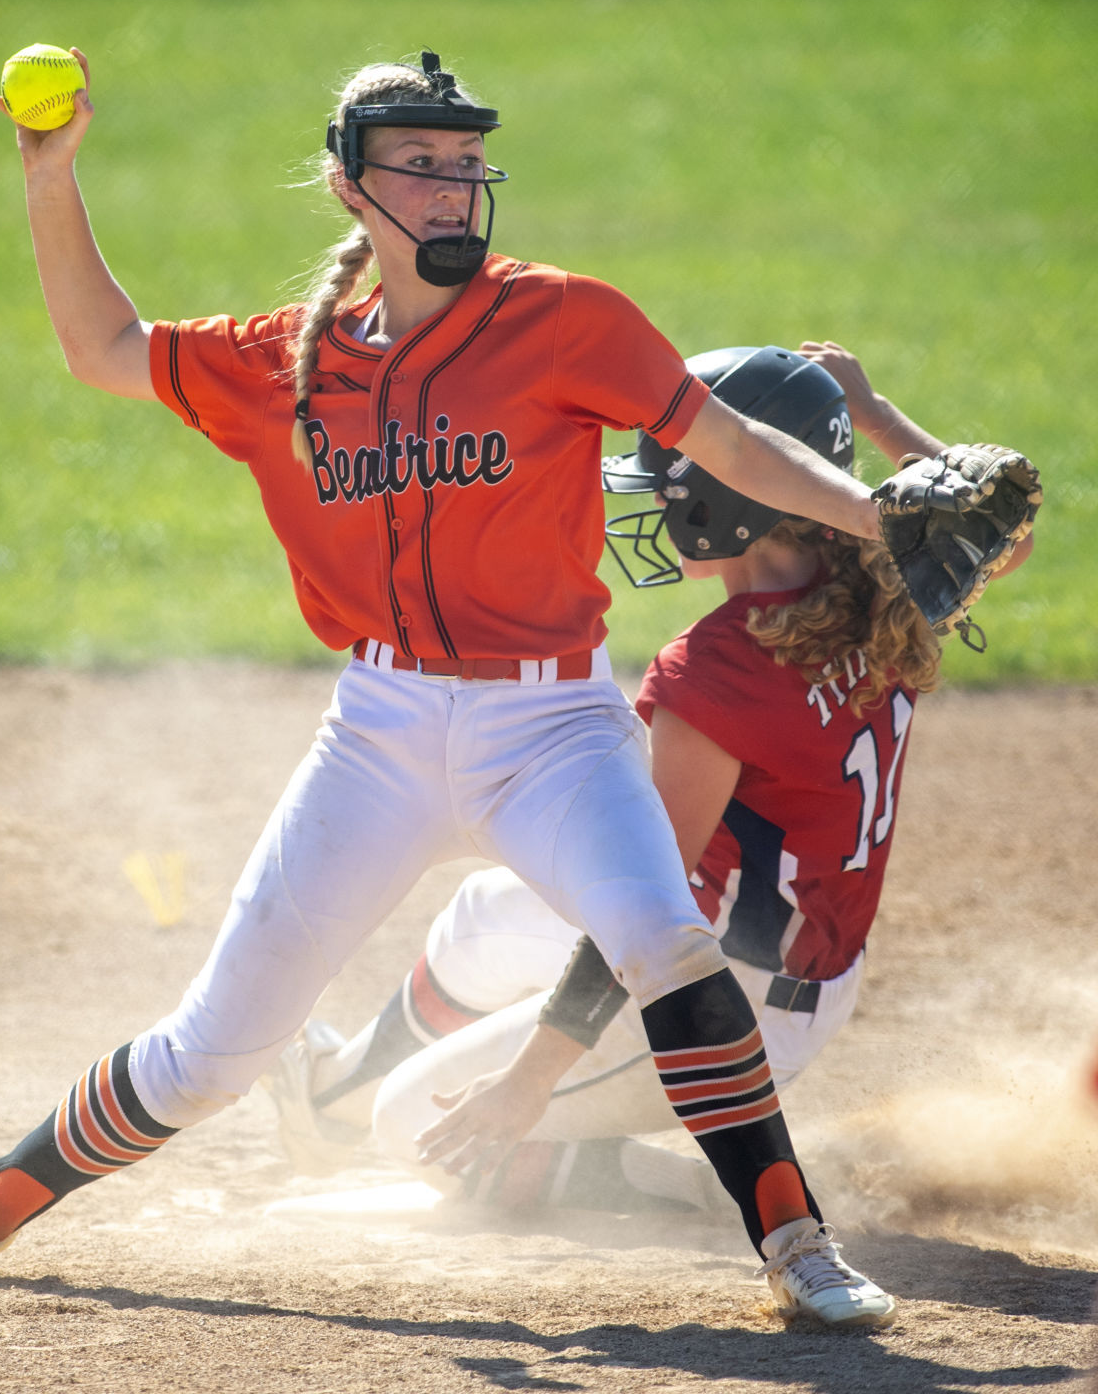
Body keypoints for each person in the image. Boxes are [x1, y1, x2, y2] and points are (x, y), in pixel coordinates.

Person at [0, 49, 907, 1327]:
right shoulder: (286, 362)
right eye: (421, 166)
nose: (453, 190)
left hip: (549, 723)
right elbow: (105, 349)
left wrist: (875, 515)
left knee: (664, 943)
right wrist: (49, 175)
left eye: (465, 167)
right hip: (379, 732)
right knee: (210, 1053)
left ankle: (797, 1249)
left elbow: (724, 440)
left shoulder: (565, 316)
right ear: (352, 185)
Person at [261, 341, 1035, 1243]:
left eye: (675, 475)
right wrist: (869, 412)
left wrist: (529, 1082)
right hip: (783, 945)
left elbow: (644, 914)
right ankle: (334, 1101)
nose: (657, 493)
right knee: (484, 915)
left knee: (419, 1128)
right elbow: (995, 529)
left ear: (738, 498)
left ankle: (704, 1183)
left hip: (733, 1001)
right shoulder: (889, 576)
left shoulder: (715, 676)